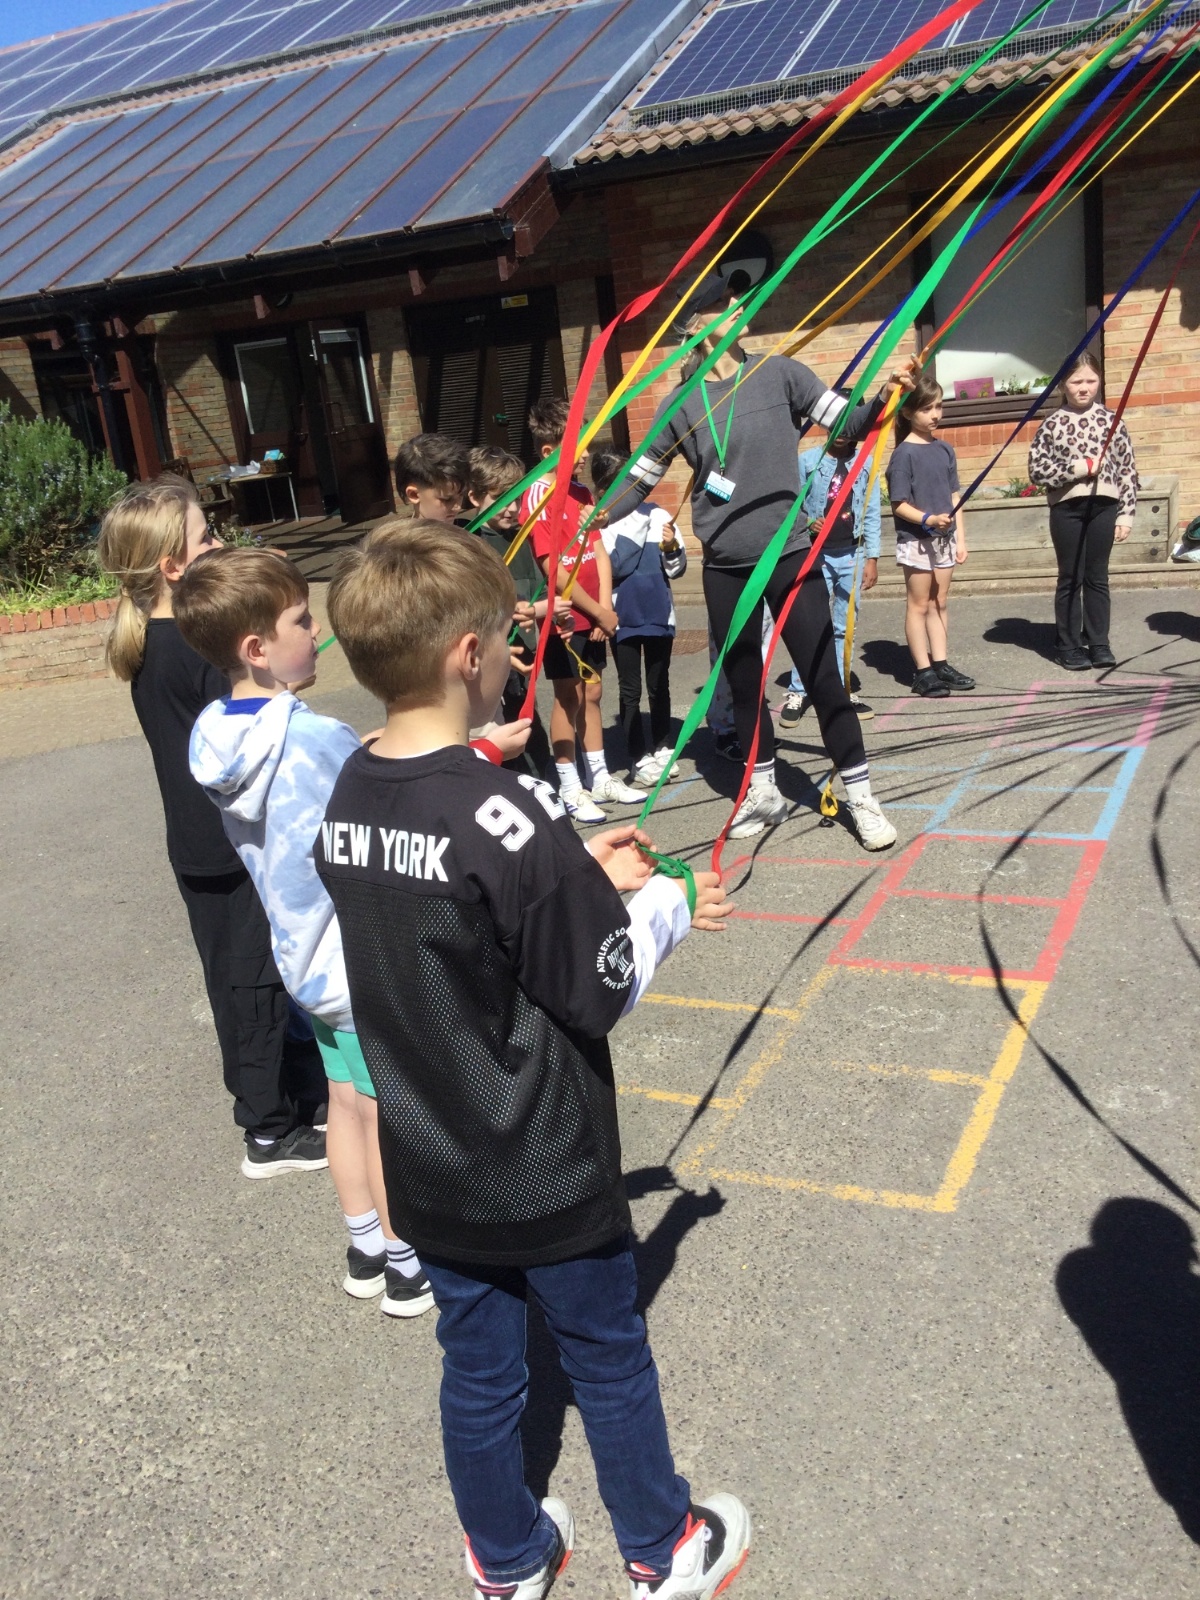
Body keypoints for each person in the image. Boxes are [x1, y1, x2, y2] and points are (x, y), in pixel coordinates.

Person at [316, 523, 751, 1600]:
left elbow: (466, 916)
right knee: (605, 1351)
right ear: (468, 655)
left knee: (478, 1367)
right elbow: (597, 984)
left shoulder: (353, 789)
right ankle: (660, 1545)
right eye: (509, 638)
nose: (520, 654)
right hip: (542, 1158)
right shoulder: (501, 809)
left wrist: (574, 872)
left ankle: (506, 1557)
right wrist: (668, 903)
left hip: (431, 1160)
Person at [175, 545, 455, 1316]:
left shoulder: (216, 735)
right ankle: (406, 1262)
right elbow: (382, 801)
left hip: (302, 956)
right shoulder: (311, 736)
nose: (316, 631)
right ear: (257, 648)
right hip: (360, 955)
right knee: (386, 1110)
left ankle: (366, 1245)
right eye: (301, 620)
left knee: (345, 1099)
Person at [606, 272, 909, 847]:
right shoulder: (680, 404)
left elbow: (848, 420)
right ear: (698, 324)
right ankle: (763, 791)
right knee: (745, 686)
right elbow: (639, 480)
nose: (740, 307)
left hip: (789, 554)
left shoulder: (780, 373)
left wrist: (890, 396)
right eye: (726, 302)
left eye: (738, 299)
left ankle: (862, 797)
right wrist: (596, 514)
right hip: (725, 567)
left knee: (823, 678)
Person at [96, 477, 327, 1177]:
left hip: (204, 843)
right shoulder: (191, 651)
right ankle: (268, 1129)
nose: (220, 543)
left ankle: (291, 1094)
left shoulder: (158, 641)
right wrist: (284, 690)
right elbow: (245, 749)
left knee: (248, 977)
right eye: (207, 538)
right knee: (251, 985)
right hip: (228, 846)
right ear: (173, 567)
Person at [520, 399, 642, 821]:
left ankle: (600, 776)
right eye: (578, 446)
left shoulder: (582, 491)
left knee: (592, 691)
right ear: (549, 451)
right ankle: (570, 787)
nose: (587, 454)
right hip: (565, 617)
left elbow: (598, 552)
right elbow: (552, 569)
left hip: (594, 614)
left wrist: (605, 608)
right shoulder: (537, 498)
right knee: (567, 696)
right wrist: (592, 610)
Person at [1028, 350, 1137, 670]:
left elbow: (1128, 470)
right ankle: (1069, 644)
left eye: (1091, 381)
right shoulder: (1052, 424)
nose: (1084, 388)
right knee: (1070, 576)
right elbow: (1037, 471)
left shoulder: (1112, 421)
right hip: (1067, 509)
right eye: (1077, 381)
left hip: (1104, 506)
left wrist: (1126, 514)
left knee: (1097, 576)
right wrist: (1079, 468)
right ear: (1064, 383)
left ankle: (1099, 642)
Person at [592, 446, 687, 788]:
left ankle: (662, 745)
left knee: (659, 685)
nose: (631, 490)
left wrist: (671, 547)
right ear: (604, 489)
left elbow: (676, 570)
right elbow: (614, 567)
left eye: (634, 483)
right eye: (622, 484)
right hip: (623, 618)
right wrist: (633, 527)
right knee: (630, 689)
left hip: (658, 613)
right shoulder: (601, 524)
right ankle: (637, 755)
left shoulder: (658, 514)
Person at [779, 428, 882, 727]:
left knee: (844, 626)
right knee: (809, 624)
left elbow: (871, 510)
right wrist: (809, 521)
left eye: (850, 424)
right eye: (837, 422)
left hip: (852, 554)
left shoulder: (866, 463)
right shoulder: (808, 461)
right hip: (815, 554)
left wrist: (872, 557)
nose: (842, 431)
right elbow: (793, 505)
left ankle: (840, 689)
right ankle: (799, 690)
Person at [465, 444, 553, 777]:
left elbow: (538, 590)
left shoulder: (522, 538)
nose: (512, 508)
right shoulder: (470, 544)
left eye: (517, 498)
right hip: (490, 656)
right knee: (502, 735)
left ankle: (537, 785)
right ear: (475, 497)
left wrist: (544, 609)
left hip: (522, 653)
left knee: (527, 727)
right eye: (501, 499)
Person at [886, 375, 973, 698]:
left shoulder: (944, 449)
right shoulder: (903, 455)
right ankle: (923, 672)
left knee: (940, 600)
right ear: (908, 412)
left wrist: (960, 538)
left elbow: (954, 497)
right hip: (916, 540)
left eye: (938, 406)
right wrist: (928, 519)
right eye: (926, 408)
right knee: (919, 603)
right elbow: (898, 504)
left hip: (945, 540)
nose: (935, 414)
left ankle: (941, 664)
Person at [394, 432, 470, 521]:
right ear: (414, 494)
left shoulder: (468, 527)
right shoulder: (399, 531)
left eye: (461, 495)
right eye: (447, 499)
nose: (458, 507)